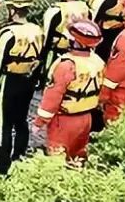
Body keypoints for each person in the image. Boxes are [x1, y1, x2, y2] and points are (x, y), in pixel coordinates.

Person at [0, 0, 45, 175]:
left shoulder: (8, 34)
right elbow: (40, 58)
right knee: (21, 121)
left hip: (9, 83)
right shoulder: (37, 30)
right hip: (28, 82)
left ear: (12, 10)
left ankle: (2, 168)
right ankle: (19, 158)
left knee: (4, 126)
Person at [34, 19, 106, 164]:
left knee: (56, 159)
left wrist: (39, 122)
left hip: (64, 122)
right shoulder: (98, 61)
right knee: (78, 156)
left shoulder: (66, 65)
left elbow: (52, 98)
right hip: (86, 119)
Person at [39, 0, 90, 80]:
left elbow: (46, 40)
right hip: (80, 53)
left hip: (58, 55)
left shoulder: (54, 10)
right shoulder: (85, 8)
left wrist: (40, 64)